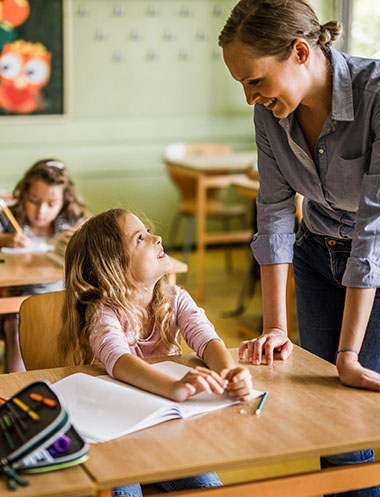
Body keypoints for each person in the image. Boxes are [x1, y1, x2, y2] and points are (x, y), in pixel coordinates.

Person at [219, 1, 380, 495]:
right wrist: (275, 327)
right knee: (322, 418)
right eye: (241, 85)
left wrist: (347, 352)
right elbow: (275, 213)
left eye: (254, 80)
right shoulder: (271, 114)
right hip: (318, 251)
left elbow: (379, 232)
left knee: (343, 414)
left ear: (300, 51)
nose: (249, 97)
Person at [59, 208, 252, 497]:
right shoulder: (104, 313)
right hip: (114, 433)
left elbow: (207, 339)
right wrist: (174, 388)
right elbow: (120, 361)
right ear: (113, 266)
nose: (157, 238)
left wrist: (229, 371)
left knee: (209, 488)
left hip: (166, 429)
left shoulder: (176, 299)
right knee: (124, 490)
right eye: (140, 238)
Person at [0, 159, 86, 372]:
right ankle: (15, 394)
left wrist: (82, 238)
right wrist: (4, 241)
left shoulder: (71, 220)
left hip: (62, 300)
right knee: (17, 332)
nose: (41, 211)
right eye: (34, 200)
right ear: (24, 194)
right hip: (16, 301)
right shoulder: (9, 218)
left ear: (64, 201)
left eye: (51, 204)